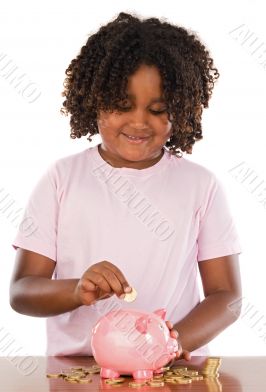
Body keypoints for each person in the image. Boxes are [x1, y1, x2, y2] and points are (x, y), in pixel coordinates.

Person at [9, 11, 242, 359]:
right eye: (122, 105)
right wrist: (77, 289)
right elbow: (22, 292)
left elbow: (227, 297)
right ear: (92, 102)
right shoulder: (61, 179)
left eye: (158, 109)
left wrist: (168, 344)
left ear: (181, 108)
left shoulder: (200, 186)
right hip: (79, 373)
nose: (139, 122)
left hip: (173, 371)